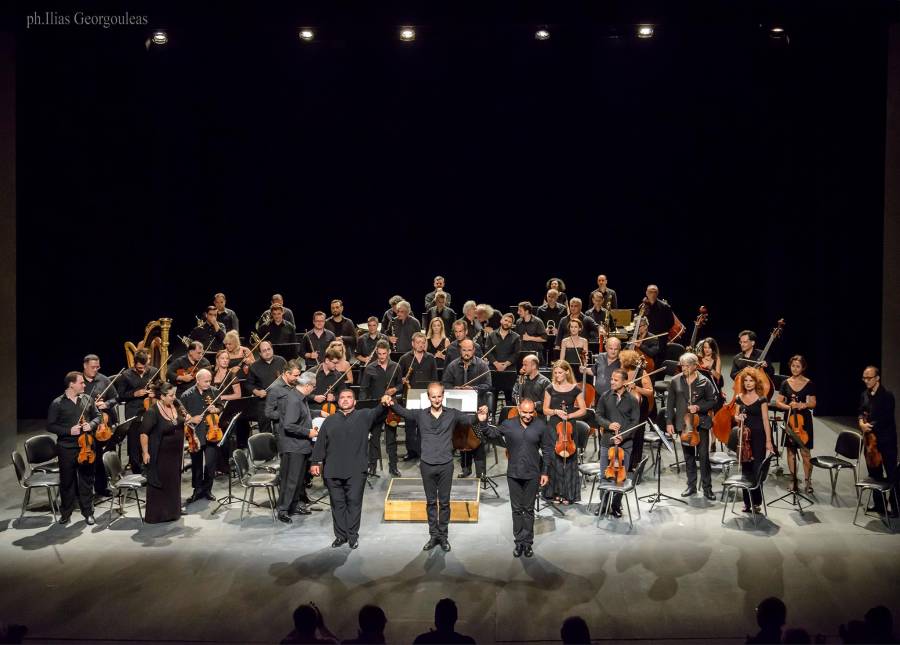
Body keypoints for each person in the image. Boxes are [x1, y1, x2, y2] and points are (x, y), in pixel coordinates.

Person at [383, 382, 486, 552]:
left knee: (444, 503)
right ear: (428, 397)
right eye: (433, 397)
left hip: (446, 465)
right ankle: (433, 535)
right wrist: (390, 401)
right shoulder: (420, 414)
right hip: (427, 465)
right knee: (431, 502)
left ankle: (443, 537)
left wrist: (479, 416)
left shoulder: (452, 414)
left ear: (443, 396)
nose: (437, 400)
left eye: (439, 396)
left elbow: (468, 419)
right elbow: (403, 412)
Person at [310, 389, 390, 548]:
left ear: (355, 401)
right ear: (338, 401)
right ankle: (340, 536)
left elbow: (379, 411)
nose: (345, 400)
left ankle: (352, 536)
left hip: (356, 470)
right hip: (332, 470)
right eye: (342, 397)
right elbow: (320, 443)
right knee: (337, 504)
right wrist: (314, 462)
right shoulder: (329, 420)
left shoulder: (364, 416)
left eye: (349, 397)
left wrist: (384, 401)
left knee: (354, 503)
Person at [476, 398, 552, 557]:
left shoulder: (541, 426)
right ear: (518, 409)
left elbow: (547, 450)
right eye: (524, 412)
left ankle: (528, 543)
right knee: (516, 510)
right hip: (514, 474)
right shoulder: (508, 424)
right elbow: (492, 433)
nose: (528, 416)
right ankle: (519, 542)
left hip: (532, 474)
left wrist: (545, 472)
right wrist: (483, 422)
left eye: (531, 412)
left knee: (528, 510)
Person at [47, 371, 101, 524]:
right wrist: (68, 431)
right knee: (67, 482)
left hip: (87, 446)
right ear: (71, 384)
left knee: (87, 481)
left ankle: (88, 512)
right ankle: (66, 512)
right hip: (67, 448)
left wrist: (91, 424)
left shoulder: (87, 399)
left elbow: (98, 416)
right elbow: (50, 425)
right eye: (81, 382)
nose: (84, 385)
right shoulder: (57, 403)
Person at [665, 353, 719, 501]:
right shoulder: (675, 381)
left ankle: (707, 488)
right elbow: (670, 404)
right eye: (682, 365)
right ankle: (691, 486)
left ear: (695, 366)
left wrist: (699, 407)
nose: (684, 368)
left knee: (703, 457)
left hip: (700, 424)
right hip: (684, 425)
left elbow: (713, 401)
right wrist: (669, 422)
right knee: (688, 457)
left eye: (687, 366)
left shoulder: (704, 381)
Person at [442, 339, 492, 479]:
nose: (467, 353)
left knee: (478, 439)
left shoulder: (482, 365)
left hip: (477, 409)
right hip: (460, 410)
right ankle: (466, 469)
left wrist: (473, 388)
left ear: (474, 350)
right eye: (464, 350)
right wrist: (455, 389)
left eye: (469, 350)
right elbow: (445, 384)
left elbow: (488, 385)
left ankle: (481, 472)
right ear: (460, 350)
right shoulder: (452, 366)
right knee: (463, 440)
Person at [595, 369, 640, 517]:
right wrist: (608, 425)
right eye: (611, 379)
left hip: (625, 444)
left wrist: (623, 436)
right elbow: (598, 415)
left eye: (616, 380)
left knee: (620, 477)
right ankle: (603, 504)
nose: (612, 382)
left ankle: (615, 505)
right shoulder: (605, 396)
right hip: (607, 442)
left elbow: (635, 422)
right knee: (604, 476)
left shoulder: (632, 400)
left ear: (624, 382)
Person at [138, 382, 185, 523]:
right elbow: (144, 434)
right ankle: (158, 515)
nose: (174, 397)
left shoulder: (175, 405)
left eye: (174, 394)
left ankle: (173, 512)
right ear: (162, 396)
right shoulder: (152, 412)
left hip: (175, 453)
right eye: (170, 395)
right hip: (160, 453)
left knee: (173, 481)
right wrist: (145, 453)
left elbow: (181, 421)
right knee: (162, 482)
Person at [542, 360, 587, 505]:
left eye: (560, 372)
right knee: (554, 460)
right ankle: (554, 493)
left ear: (567, 372)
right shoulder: (550, 388)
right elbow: (545, 410)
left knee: (569, 460)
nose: (557, 375)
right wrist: (556, 411)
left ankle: (568, 494)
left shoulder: (575, 389)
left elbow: (583, 410)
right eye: (555, 373)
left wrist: (569, 415)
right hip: (553, 427)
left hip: (568, 427)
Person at [275, 371, 318, 523]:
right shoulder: (293, 400)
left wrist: (318, 414)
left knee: (298, 480)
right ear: (307, 386)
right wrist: (308, 432)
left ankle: (293, 506)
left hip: (300, 446)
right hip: (293, 447)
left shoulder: (300, 397)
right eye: (313, 386)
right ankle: (283, 510)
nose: (313, 389)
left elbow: (303, 415)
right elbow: (289, 425)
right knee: (290, 480)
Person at [733, 367, 775, 513]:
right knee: (746, 470)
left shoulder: (762, 398)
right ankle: (747, 502)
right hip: (745, 438)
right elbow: (735, 416)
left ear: (756, 382)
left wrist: (768, 441)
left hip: (759, 437)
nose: (748, 383)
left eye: (751, 380)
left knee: (757, 469)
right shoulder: (739, 397)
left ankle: (756, 502)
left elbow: (765, 420)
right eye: (746, 381)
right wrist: (739, 417)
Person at [774, 355, 817, 493]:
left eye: (798, 366)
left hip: (804, 421)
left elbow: (813, 403)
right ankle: (793, 480)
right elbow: (778, 402)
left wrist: (803, 405)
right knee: (791, 451)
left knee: (805, 452)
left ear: (803, 367)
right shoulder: (785, 383)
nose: (795, 368)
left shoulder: (809, 383)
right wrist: (789, 407)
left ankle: (808, 481)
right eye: (793, 366)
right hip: (790, 419)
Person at [858, 366, 898, 516]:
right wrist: (861, 422)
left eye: (869, 378)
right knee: (875, 474)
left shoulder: (887, 396)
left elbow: (885, 418)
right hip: (871, 442)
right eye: (864, 378)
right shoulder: (864, 394)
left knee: (892, 475)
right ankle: (879, 505)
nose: (866, 381)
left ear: (877, 378)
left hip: (886, 441)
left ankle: (896, 508)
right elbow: (861, 411)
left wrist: (868, 426)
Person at [180, 369, 222, 506]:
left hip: (212, 432)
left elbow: (220, 407)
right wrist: (191, 419)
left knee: (210, 464)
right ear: (197, 380)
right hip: (195, 434)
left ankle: (207, 489)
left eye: (210, 381)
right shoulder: (186, 395)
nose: (209, 384)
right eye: (206, 381)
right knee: (196, 464)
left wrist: (215, 410)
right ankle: (197, 490)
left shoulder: (214, 392)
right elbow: (181, 415)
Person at [359, 341, 401, 476]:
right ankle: (372, 466)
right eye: (379, 354)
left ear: (389, 352)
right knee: (374, 438)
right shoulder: (370, 368)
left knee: (391, 439)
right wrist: (363, 407)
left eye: (384, 354)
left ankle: (393, 467)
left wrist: (395, 389)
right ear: (376, 353)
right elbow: (364, 388)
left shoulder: (396, 366)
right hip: (376, 408)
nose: (382, 356)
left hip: (391, 408)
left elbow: (400, 384)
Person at [398, 332, 439, 462]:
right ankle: (411, 451)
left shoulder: (430, 358)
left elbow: (435, 379)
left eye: (423, 342)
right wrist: (402, 380)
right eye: (418, 342)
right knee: (410, 425)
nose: (421, 345)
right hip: (410, 396)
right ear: (412, 343)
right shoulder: (405, 358)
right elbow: (398, 378)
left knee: (424, 425)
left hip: (426, 397)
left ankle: (423, 451)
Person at [81, 354, 118, 497]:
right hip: (87, 424)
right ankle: (86, 489)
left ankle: (102, 487)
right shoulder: (79, 381)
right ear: (85, 366)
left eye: (98, 367)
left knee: (103, 457)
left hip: (104, 424)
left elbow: (116, 397)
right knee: (91, 458)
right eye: (93, 367)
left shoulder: (104, 380)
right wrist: (91, 405)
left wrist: (106, 404)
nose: (96, 369)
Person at [117, 350, 159, 474]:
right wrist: (134, 394)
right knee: (134, 442)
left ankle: (149, 468)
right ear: (134, 363)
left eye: (145, 367)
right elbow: (120, 395)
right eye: (140, 368)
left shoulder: (153, 371)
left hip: (150, 409)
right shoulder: (126, 375)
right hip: (133, 411)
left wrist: (154, 392)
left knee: (150, 439)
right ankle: (136, 470)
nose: (143, 370)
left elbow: (160, 386)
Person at [246, 340, 287, 435]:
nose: (267, 352)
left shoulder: (281, 361)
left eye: (269, 349)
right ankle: (267, 442)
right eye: (264, 350)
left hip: (281, 399)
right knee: (265, 430)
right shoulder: (254, 366)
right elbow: (248, 384)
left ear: (272, 349)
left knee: (283, 428)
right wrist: (257, 392)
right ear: (260, 353)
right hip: (264, 401)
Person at [485, 313, 522, 410]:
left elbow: (516, 354)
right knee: (493, 396)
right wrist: (496, 364)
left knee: (509, 397)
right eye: (505, 320)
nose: (507, 323)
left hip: (509, 371)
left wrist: (505, 365)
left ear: (512, 324)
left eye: (510, 322)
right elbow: (488, 352)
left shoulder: (516, 337)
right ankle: (492, 416)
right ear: (501, 320)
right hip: (494, 370)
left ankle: (509, 417)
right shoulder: (491, 335)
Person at [641, 285, 675, 357]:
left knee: (658, 358)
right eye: (650, 292)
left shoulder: (665, 307)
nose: (653, 294)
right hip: (646, 338)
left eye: (655, 292)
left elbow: (671, 322)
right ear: (646, 293)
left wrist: (661, 330)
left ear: (657, 293)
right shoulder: (642, 306)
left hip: (660, 339)